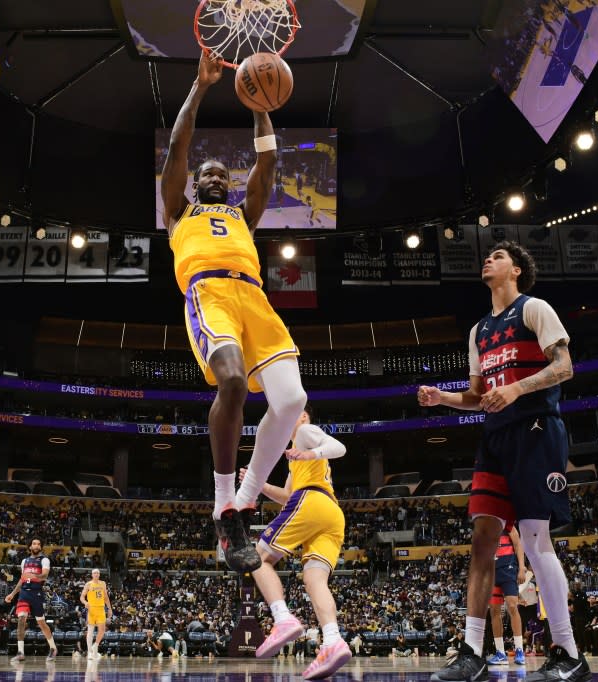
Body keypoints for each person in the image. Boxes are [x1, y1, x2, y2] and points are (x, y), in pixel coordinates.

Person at [163, 50, 307, 573]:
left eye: (223, 172)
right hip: (210, 294)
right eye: (208, 173)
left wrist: (257, 104)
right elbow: (179, 146)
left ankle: (242, 502)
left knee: (292, 401)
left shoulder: (244, 213)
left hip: (255, 298)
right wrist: (200, 89)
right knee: (231, 383)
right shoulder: (178, 211)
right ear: (195, 183)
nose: (216, 176)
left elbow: (268, 165)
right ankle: (223, 499)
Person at [419, 241, 589, 682]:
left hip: (536, 429)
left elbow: (565, 366)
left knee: (535, 539)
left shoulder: (535, 309)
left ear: (515, 270)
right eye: (488, 256)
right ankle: (472, 651)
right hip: (495, 438)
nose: (488, 259)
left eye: (498, 256)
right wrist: (443, 399)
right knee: (481, 538)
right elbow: (477, 397)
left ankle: (568, 652)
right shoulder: (479, 331)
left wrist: (515, 389)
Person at [240, 407, 352, 680]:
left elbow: (339, 447)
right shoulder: (295, 452)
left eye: (296, 411)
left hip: (311, 502)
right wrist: (262, 486)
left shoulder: (305, 432)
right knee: (314, 580)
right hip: (331, 514)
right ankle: (332, 640)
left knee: (257, 558)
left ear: (304, 416)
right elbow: (288, 494)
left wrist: (310, 453)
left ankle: (281, 617)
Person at [4, 538, 57, 661]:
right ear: (30, 547)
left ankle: (53, 648)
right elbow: (22, 579)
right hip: (24, 594)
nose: (36, 545)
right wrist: (12, 594)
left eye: (39, 544)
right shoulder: (24, 561)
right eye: (34, 544)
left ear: (41, 547)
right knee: (21, 619)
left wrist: (33, 575)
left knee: (41, 623)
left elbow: (44, 575)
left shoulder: (44, 560)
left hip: (36, 593)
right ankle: (20, 652)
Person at [486, 525, 527, 666]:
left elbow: (518, 544)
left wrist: (521, 567)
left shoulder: (507, 524)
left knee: (512, 606)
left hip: (508, 570)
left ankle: (519, 650)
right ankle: (500, 653)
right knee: (494, 611)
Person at [80, 568, 113, 660]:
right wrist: (85, 602)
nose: (96, 574)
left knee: (102, 630)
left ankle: (95, 646)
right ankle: (90, 652)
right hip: (91, 609)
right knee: (90, 631)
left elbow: (106, 597)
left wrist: (110, 609)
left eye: (97, 573)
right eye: (94, 573)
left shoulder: (103, 583)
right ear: (92, 575)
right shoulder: (88, 584)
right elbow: (82, 597)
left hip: (101, 609)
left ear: (99, 574)